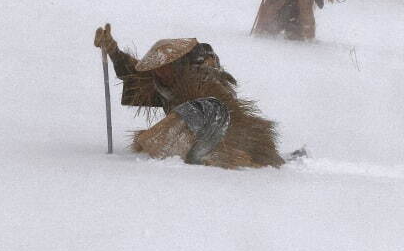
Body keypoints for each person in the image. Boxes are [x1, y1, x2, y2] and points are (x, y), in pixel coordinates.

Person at [94, 24, 283, 169]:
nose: (160, 72)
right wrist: (112, 50)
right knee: (152, 144)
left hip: (216, 135)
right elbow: (134, 73)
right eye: (157, 68)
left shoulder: (204, 81)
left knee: (174, 145)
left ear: (177, 64)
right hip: (191, 133)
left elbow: (227, 117)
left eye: (165, 67)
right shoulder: (160, 80)